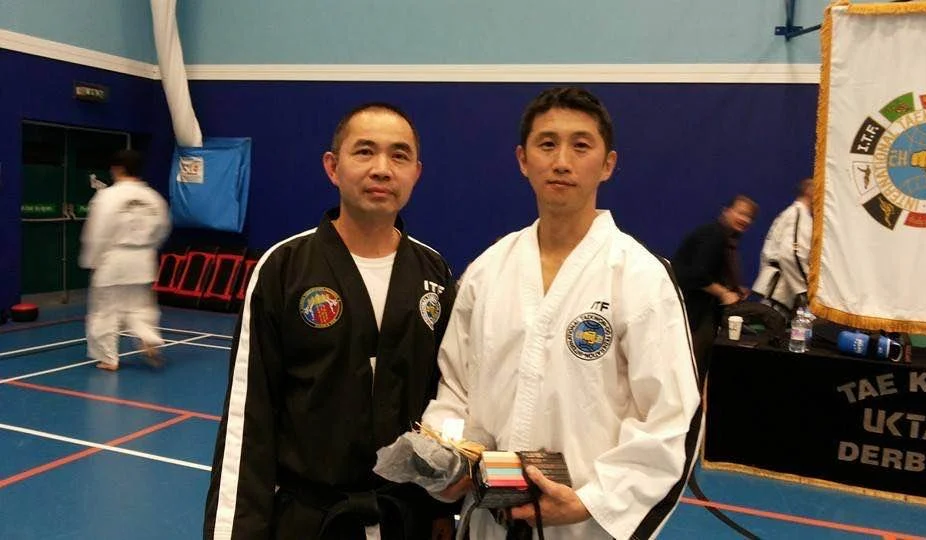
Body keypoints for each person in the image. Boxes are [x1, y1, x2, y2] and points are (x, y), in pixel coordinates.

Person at [419, 87, 702, 539]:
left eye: (581, 145)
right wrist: (449, 455)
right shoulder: (487, 271)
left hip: (584, 526)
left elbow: (670, 416)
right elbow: (455, 389)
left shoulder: (640, 276)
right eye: (547, 144)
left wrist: (592, 501)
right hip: (487, 521)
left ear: (608, 164)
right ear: (522, 159)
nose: (562, 161)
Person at [203, 103, 458, 540]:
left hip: (406, 517)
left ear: (416, 172)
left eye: (399, 156)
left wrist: (439, 509)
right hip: (311, 520)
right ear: (332, 167)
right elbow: (250, 418)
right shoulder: (284, 268)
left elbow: (446, 398)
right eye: (364, 152)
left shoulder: (433, 273)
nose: (382, 169)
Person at [79, 149, 171, 371]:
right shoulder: (153, 198)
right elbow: (163, 229)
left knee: (105, 311)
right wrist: (148, 249)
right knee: (139, 307)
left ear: (117, 169)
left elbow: (97, 232)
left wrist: (92, 260)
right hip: (142, 261)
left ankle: (108, 358)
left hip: (113, 261)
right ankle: (148, 337)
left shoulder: (107, 196)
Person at [672, 195, 758, 384]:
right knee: (692, 373)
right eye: (741, 213)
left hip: (702, 312)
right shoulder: (714, 235)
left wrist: (734, 289)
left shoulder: (725, 238)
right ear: (726, 211)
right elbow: (695, 274)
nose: (745, 219)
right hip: (693, 314)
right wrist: (724, 293)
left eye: (749, 217)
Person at [752, 178, 813, 320]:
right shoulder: (799, 214)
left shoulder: (791, 213)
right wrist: (807, 290)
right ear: (810, 191)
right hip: (780, 293)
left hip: (776, 291)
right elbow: (792, 254)